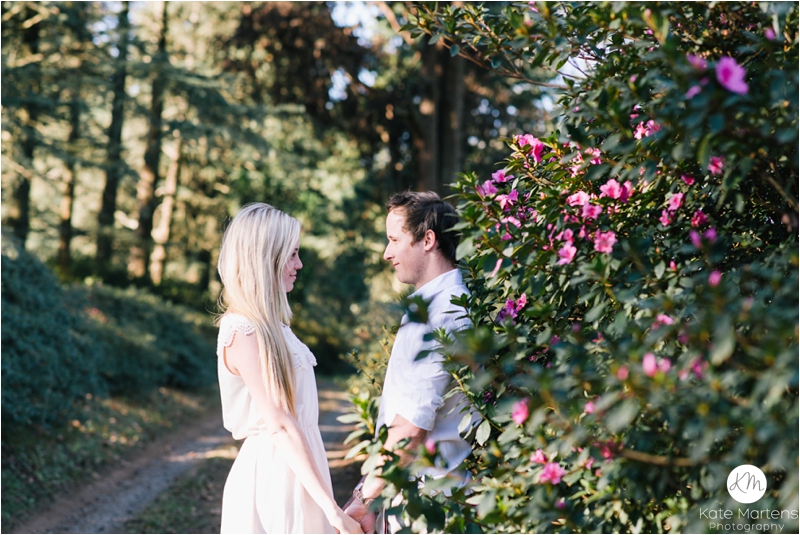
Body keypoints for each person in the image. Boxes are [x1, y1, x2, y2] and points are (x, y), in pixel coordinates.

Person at [215, 203, 362, 534]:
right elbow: (280, 424)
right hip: (274, 477)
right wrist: (332, 509)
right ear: (266, 257)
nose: (299, 264)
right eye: (292, 254)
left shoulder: (275, 327)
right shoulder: (242, 329)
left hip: (302, 469)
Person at [343, 191, 479, 533]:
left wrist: (363, 498)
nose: (387, 253)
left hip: (428, 507)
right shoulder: (439, 305)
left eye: (394, 240)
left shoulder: (442, 313)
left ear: (428, 240)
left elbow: (411, 428)